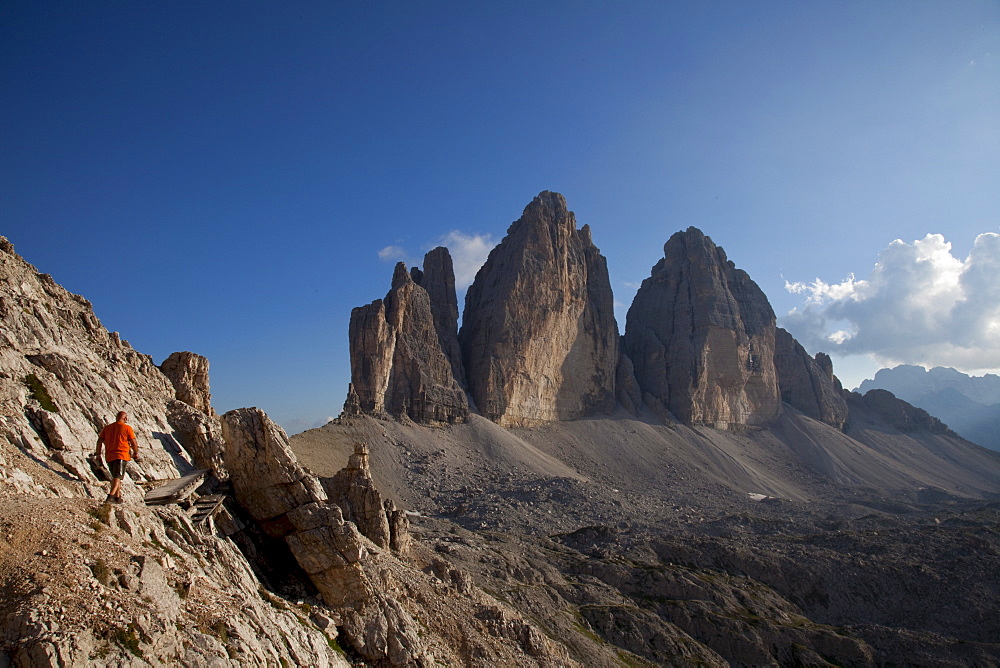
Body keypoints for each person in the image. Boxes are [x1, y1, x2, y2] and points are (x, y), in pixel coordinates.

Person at [95, 411, 139, 504]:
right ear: (125, 418)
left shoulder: (107, 428)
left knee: (115, 476)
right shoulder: (127, 428)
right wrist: (136, 453)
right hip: (121, 455)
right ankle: (110, 496)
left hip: (109, 456)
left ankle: (117, 497)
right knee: (117, 476)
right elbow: (133, 442)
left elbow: (99, 441)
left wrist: (98, 453)